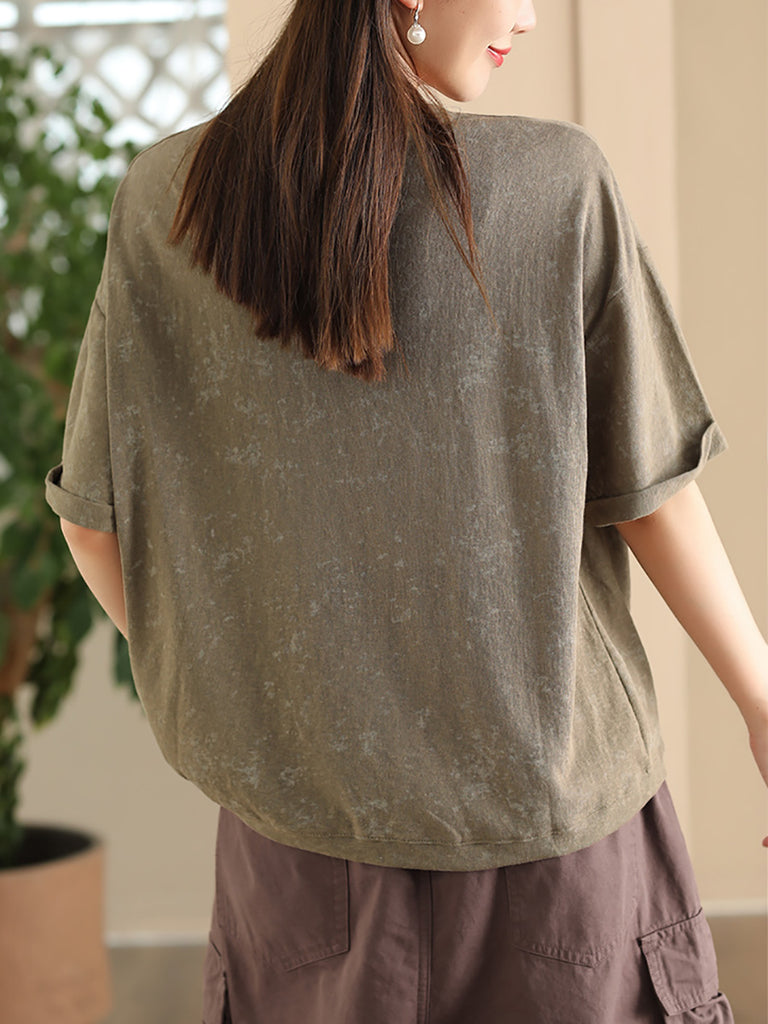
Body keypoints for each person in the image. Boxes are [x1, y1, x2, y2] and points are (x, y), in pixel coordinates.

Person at [44, 0, 766, 1020]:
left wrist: (261, 688)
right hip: (557, 856)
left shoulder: (167, 197)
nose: (528, 16)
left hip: (298, 860)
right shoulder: (555, 183)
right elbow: (654, 501)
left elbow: (92, 522)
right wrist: (762, 702)